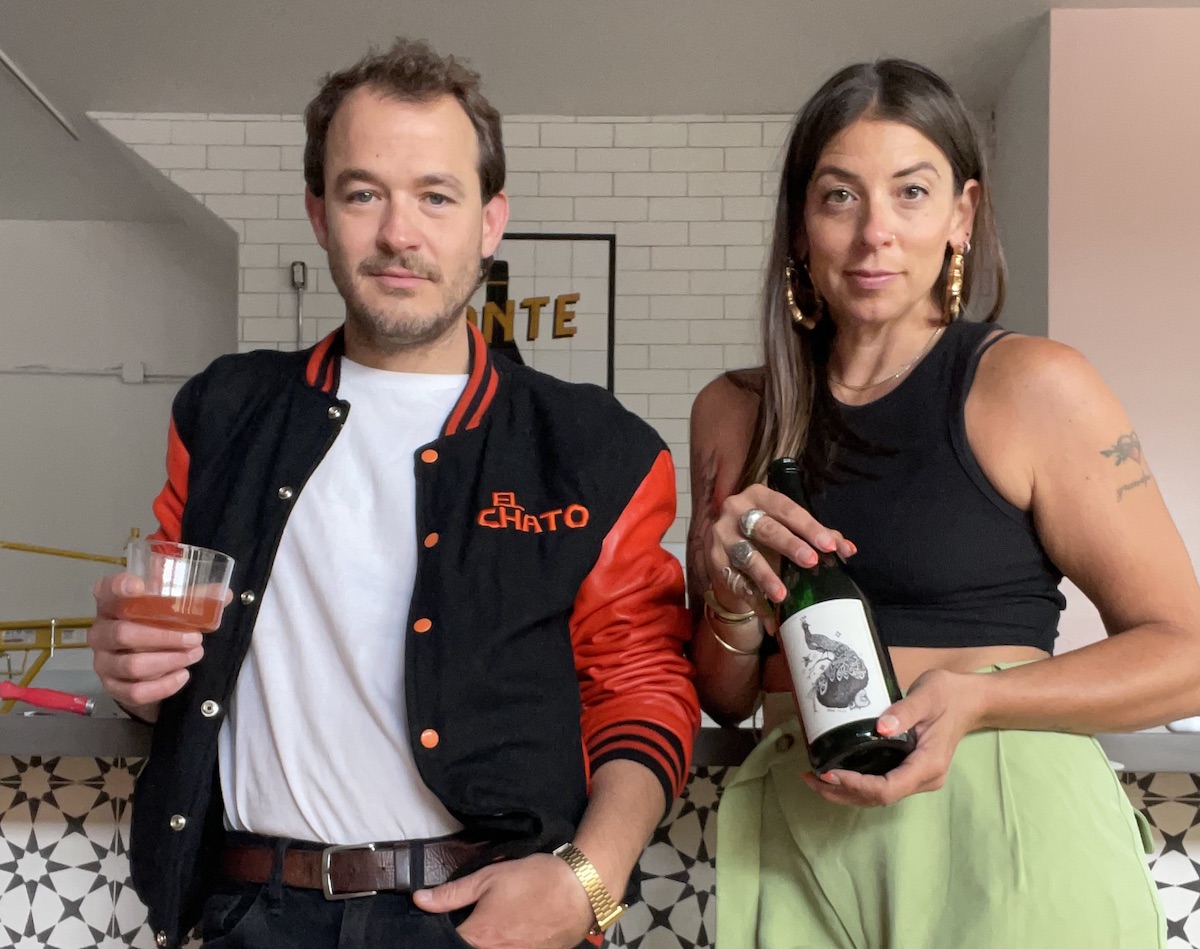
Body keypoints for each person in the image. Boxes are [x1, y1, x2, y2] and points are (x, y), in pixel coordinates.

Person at [89, 38, 699, 949]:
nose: (399, 233)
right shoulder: (222, 413)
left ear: (490, 222)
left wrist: (591, 885)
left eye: (436, 196)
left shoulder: (594, 449)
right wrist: (132, 668)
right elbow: (173, 667)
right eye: (363, 192)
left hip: (480, 915)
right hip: (251, 908)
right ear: (318, 212)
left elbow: (643, 687)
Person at [687, 58, 1200, 948]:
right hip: (798, 832)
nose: (874, 233)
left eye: (912, 193)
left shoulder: (1035, 386)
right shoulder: (731, 412)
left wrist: (977, 700)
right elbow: (725, 695)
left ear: (961, 216)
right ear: (800, 226)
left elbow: (1187, 651)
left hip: (1002, 814)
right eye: (839, 197)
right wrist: (731, 597)